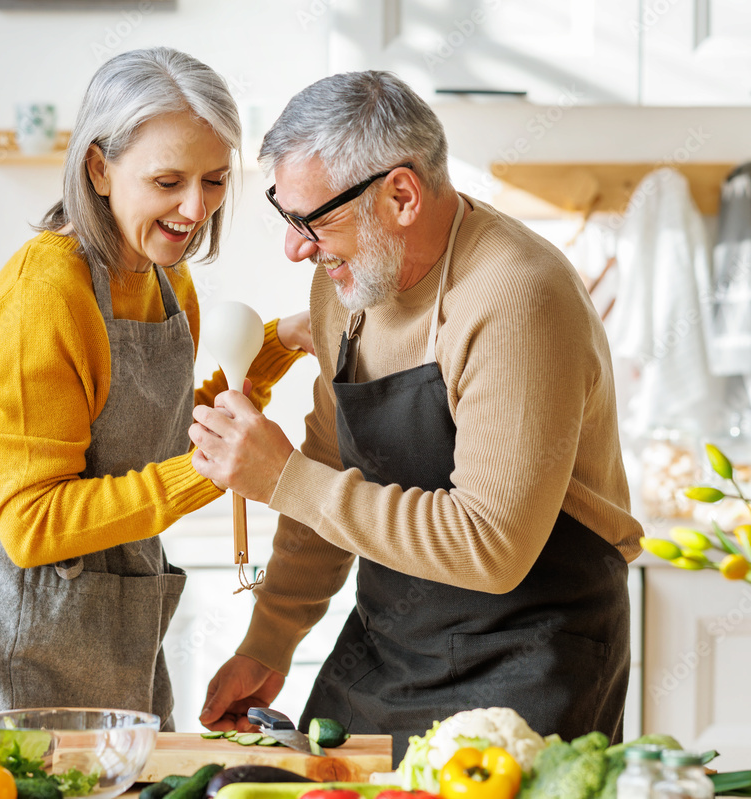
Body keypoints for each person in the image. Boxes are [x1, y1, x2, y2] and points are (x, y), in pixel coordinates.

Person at [189, 71, 643, 762]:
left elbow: (490, 544)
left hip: (533, 651)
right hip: (393, 644)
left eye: (313, 221)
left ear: (401, 194)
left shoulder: (516, 295)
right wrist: (269, 639)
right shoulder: (345, 286)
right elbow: (330, 463)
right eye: (288, 215)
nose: (296, 247)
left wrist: (282, 477)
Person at [0, 47, 311, 748]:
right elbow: (32, 524)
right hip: (6, 640)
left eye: (214, 180)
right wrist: (211, 471)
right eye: (167, 180)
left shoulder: (163, 277)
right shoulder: (46, 294)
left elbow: (150, 433)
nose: (195, 207)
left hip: (109, 628)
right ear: (99, 167)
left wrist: (276, 347)